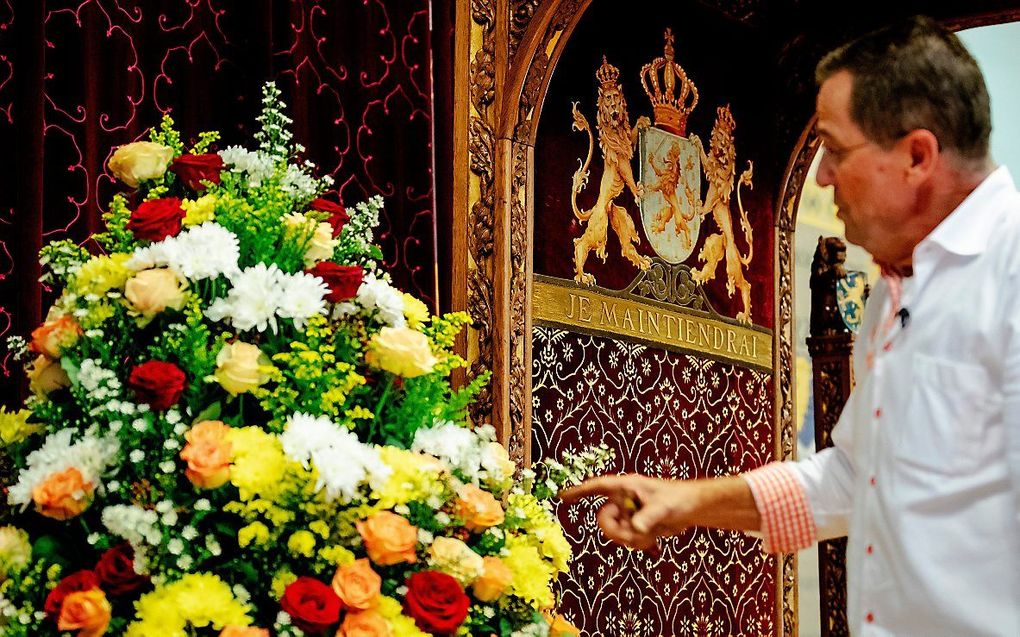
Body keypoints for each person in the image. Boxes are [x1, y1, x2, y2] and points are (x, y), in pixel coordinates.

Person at [561, 16, 1020, 636]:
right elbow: (856, 475)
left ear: (917, 156)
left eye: (834, 148)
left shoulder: (1009, 275)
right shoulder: (897, 291)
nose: (824, 177)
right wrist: (687, 503)